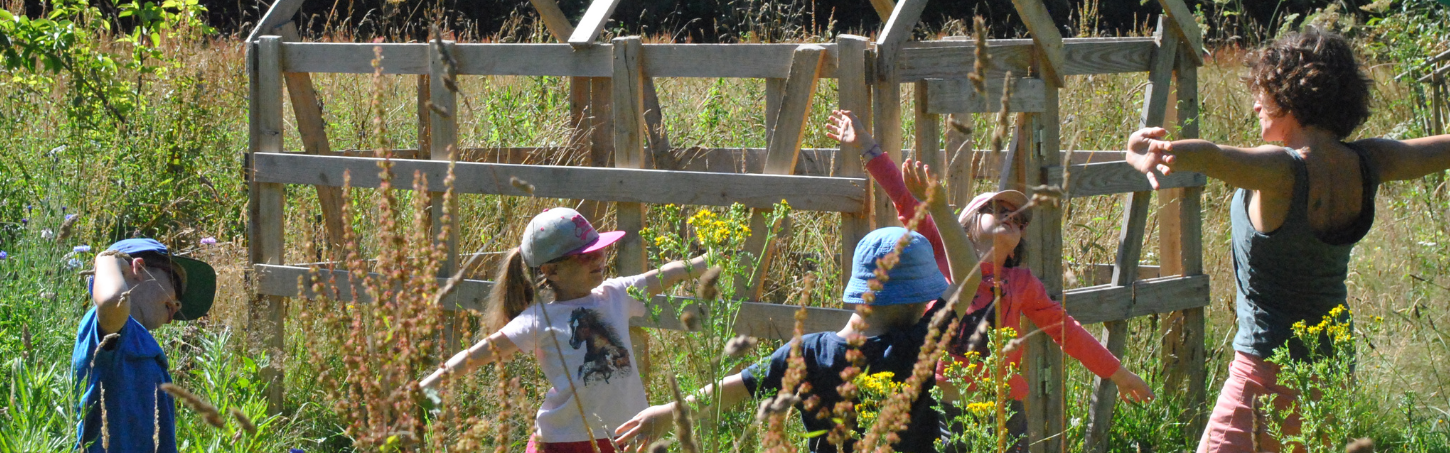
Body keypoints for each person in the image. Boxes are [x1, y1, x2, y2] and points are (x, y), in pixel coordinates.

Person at [1123, 27, 1450, 452]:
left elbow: (1215, 156)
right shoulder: (1372, 161)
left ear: (1291, 97)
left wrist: (1139, 152)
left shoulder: (1281, 171)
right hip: (1333, 369)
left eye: (1264, 93)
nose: (1256, 104)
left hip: (1264, 376)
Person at [825, 109, 1155, 451]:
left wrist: (1118, 374)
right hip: (942, 407)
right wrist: (865, 144)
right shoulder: (939, 248)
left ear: (1016, 247)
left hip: (1005, 412)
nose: (1009, 216)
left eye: (1017, 218)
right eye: (995, 209)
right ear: (965, 227)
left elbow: (1066, 331)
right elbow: (902, 193)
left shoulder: (1023, 283)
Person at [420, 207, 707, 453]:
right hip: (565, 441)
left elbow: (662, 275)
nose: (598, 260)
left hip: (622, 435)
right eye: (585, 256)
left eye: (599, 251)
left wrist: (703, 264)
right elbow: (481, 352)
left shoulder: (616, 293)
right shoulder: (539, 319)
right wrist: (432, 382)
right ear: (551, 271)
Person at [72, 238, 217, 453]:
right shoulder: (105, 328)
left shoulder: (138, 340)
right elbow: (113, 301)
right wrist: (107, 260)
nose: (177, 305)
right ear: (138, 269)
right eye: (176, 285)